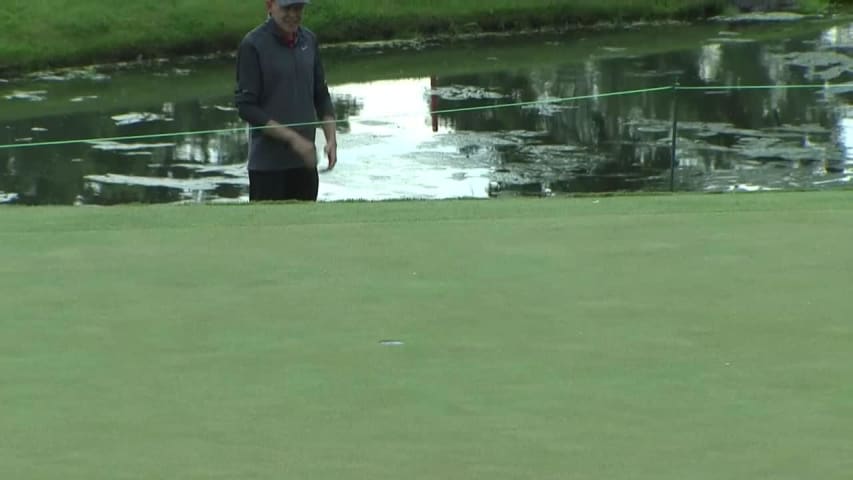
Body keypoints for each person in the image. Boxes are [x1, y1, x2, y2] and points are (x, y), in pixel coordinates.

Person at [234, 0, 337, 202]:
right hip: (268, 169)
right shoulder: (253, 44)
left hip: (305, 165)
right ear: (270, 6)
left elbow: (321, 94)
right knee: (268, 223)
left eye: (297, 8)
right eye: (286, 8)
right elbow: (246, 107)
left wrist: (331, 139)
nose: (293, 14)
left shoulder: (309, 40)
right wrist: (294, 140)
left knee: (307, 222)